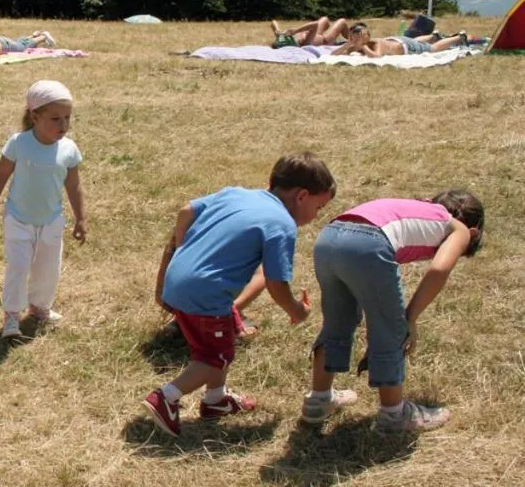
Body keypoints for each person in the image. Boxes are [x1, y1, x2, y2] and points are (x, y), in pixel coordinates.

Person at [143, 152, 337, 438]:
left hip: (175, 282)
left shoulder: (236, 194)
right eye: (319, 207)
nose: (316, 215)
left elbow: (186, 210)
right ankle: (166, 396)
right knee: (215, 357)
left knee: (217, 341)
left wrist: (185, 252)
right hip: (206, 292)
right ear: (302, 196)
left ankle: (216, 399)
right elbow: (276, 283)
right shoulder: (281, 224)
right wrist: (297, 310)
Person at [301, 190, 484, 433]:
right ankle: (394, 415)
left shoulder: (419, 208)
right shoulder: (459, 229)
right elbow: (439, 270)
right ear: (474, 232)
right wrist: (410, 318)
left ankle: (319, 400)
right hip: (369, 243)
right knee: (390, 330)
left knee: (337, 323)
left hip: (329, 238)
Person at [0, 81, 87, 338]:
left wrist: (80, 218)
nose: (63, 125)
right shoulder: (19, 143)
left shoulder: (68, 149)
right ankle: (11, 314)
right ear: (35, 117)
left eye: (67, 118)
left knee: (48, 268)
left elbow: (73, 185)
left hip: (51, 220)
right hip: (18, 219)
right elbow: (1, 174)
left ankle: (40, 306)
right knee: (18, 266)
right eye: (55, 118)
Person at [332, 23, 469, 57]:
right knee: (415, 40)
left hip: (406, 46)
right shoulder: (354, 45)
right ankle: (434, 36)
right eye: (351, 37)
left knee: (433, 49)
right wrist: (346, 46)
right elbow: (334, 55)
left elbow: (376, 56)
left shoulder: (377, 43)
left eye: (356, 37)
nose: (353, 40)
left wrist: (363, 46)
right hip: (396, 40)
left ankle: (460, 37)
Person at [270, 17, 350, 48]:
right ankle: (353, 40)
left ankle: (338, 40)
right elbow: (315, 24)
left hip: (315, 33)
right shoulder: (305, 43)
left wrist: (277, 29)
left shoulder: (282, 40)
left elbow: (273, 22)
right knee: (342, 21)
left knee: (325, 19)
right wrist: (296, 30)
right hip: (326, 40)